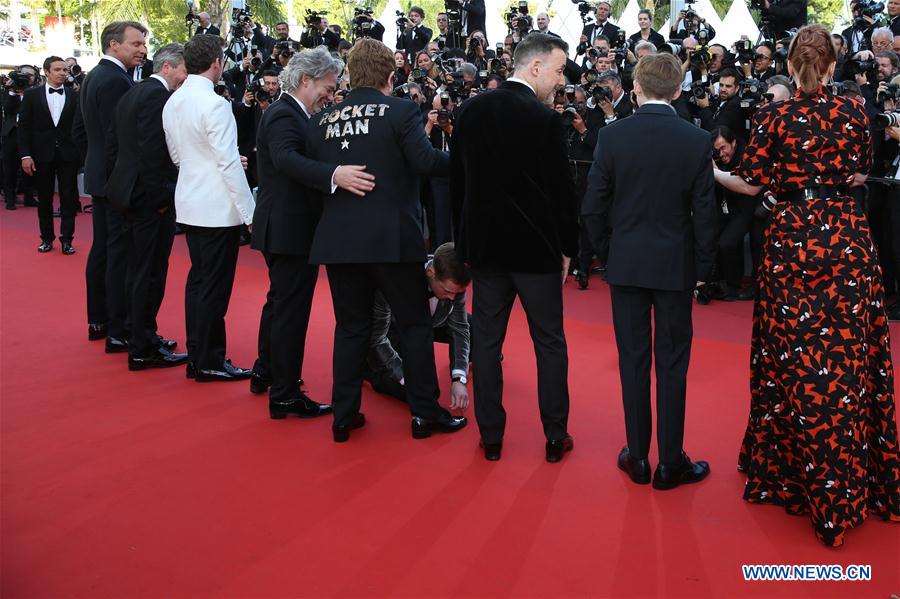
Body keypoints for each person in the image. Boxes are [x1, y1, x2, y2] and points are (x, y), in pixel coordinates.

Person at [713, 25, 900, 546]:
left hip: (792, 242)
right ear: (834, 64)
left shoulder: (771, 116)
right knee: (850, 360)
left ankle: (793, 477)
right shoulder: (855, 113)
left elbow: (750, 183)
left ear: (792, 67)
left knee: (788, 357)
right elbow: (861, 173)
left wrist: (709, 170)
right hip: (845, 241)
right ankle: (853, 482)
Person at [306, 38, 467, 443]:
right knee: (414, 325)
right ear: (391, 76)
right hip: (393, 240)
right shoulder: (401, 110)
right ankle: (424, 414)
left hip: (340, 239)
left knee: (350, 328)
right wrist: (470, 161)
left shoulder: (322, 119)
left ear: (350, 73)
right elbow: (426, 162)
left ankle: (343, 417)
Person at [582, 53, 717, 490]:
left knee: (633, 361)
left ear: (636, 87)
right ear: (678, 91)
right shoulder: (695, 139)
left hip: (627, 263)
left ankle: (638, 457)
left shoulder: (613, 135)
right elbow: (705, 212)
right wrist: (702, 268)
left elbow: (593, 207)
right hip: (675, 266)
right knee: (673, 364)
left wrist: (611, 251)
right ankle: (670, 462)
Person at [451, 33, 578, 463]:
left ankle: (490, 436)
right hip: (535, 252)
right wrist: (568, 248)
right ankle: (556, 435)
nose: (561, 80)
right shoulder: (545, 120)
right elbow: (562, 193)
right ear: (535, 67)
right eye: (559, 70)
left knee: (487, 342)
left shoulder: (468, 111)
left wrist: (464, 242)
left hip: (486, 251)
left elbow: (458, 186)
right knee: (549, 342)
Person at [251, 47, 376, 419]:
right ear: (306, 79)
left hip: (286, 227)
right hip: (289, 230)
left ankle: (268, 373)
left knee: (279, 305)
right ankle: (285, 394)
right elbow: (286, 159)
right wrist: (334, 175)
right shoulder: (284, 115)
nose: (331, 93)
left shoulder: (293, 113)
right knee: (290, 311)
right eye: (328, 85)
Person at [162, 34, 256, 383]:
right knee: (214, 288)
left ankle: (199, 356)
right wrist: (250, 214)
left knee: (198, 283)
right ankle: (210, 361)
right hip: (217, 208)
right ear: (216, 63)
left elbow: (177, 157)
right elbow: (228, 164)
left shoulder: (173, 102)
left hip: (190, 202)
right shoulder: (215, 104)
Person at [104, 44, 190, 372]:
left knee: (139, 270)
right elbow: (154, 154)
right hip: (148, 200)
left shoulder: (133, 92)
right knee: (149, 272)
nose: (185, 77)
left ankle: (142, 335)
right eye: (183, 70)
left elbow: (114, 144)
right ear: (167, 67)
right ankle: (142, 346)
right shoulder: (156, 97)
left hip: (129, 193)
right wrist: (163, 200)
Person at [77, 21, 148, 349]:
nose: (142, 50)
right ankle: (118, 328)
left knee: (104, 249)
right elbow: (120, 138)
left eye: (143, 44)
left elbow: (83, 131)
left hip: (99, 175)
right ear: (113, 45)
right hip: (115, 180)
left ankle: (100, 319)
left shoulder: (94, 76)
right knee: (118, 253)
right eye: (135, 44)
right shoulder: (116, 81)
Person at [366, 243, 471, 408]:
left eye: (456, 293)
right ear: (431, 273)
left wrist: (459, 378)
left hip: (436, 322)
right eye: (447, 291)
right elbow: (377, 336)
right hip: (397, 333)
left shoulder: (454, 284)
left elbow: (460, 329)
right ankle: (370, 372)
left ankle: (466, 361)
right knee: (420, 392)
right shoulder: (396, 281)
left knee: (479, 333)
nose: (452, 298)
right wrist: (402, 374)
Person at [17, 55, 80, 254]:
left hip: (68, 155)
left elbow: (79, 128)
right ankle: (46, 238)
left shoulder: (74, 96)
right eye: (58, 70)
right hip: (40, 155)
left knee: (69, 198)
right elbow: (24, 128)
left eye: (65, 70)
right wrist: (25, 155)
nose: (63, 73)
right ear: (47, 72)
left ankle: (67, 240)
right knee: (44, 198)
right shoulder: (31, 95)